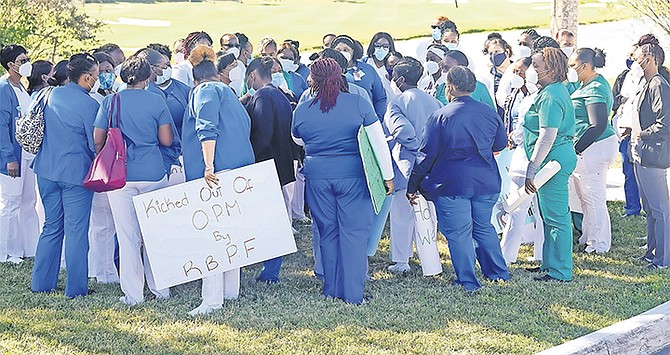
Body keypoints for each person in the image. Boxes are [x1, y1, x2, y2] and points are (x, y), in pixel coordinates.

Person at [293, 57, 394, 304]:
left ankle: (332, 289)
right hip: (353, 176)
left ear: (312, 81)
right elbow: (378, 142)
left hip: (317, 177)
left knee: (327, 231)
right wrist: (388, 177)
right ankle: (353, 293)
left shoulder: (303, 108)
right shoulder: (358, 103)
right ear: (340, 77)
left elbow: (297, 139)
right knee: (354, 233)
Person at [407, 65, 510, 291]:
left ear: (450, 87)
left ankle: (468, 280)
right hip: (486, 181)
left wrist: (412, 184)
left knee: (459, 233)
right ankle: (498, 273)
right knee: (483, 226)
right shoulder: (489, 112)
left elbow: (426, 155)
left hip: (452, 183)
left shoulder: (440, 116)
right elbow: (501, 144)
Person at [94, 55, 175, 305]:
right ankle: (161, 288)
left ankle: (133, 294)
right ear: (147, 76)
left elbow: (98, 138)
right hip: (153, 173)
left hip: (121, 175)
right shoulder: (156, 100)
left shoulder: (111, 101)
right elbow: (167, 140)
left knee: (127, 236)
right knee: (155, 234)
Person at [182, 46, 255, 316]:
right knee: (231, 233)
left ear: (195, 79)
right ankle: (230, 290)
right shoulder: (230, 93)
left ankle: (212, 299)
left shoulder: (205, 92)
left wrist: (208, 164)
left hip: (217, 172)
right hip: (238, 169)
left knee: (212, 236)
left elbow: (206, 127)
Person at [30, 53, 100, 297]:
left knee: (51, 226)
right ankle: (76, 288)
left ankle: (41, 283)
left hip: (46, 170)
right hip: (75, 173)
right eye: (96, 75)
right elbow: (95, 144)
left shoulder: (48, 94)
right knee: (76, 231)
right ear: (86, 77)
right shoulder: (90, 104)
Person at [523, 47, 577, 282]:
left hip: (552, 160)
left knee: (556, 217)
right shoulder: (553, 90)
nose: (531, 70)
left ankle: (560, 271)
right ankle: (549, 263)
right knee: (548, 215)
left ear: (551, 70)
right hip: (555, 157)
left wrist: (532, 168)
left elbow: (547, 136)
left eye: (536, 66)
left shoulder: (552, 96)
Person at [385, 57, 443, 273]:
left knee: (402, 213)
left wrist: (418, 150)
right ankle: (428, 255)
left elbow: (401, 131)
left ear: (399, 79)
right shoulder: (434, 101)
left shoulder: (397, 102)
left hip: (406, 166)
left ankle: (402, 260)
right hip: (433, 165)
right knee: (428, 212)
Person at [243, 56, 296, 283]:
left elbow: (263, 135)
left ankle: (271, 272)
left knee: (271, 221)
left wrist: (250, 161)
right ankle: (270, 269)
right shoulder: (279, 94)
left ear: (253, 76)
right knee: (275, 218)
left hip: (267, 165)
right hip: (281, 162)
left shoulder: (262, 96)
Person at [568, 48, 618, 254]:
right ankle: (588, 237)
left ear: (585, 66)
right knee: (585, 197)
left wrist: (576, 149)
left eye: (573, 66)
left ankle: (599, 244)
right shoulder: (587, 83)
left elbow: (596, 125)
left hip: (594, 147)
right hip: (592, 147)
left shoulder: (595, 88)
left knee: (593, 196)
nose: (571, 70)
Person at [500, 56, 544, 264]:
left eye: (520, 71)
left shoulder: (532, 99)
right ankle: (539, 254)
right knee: (527, 209)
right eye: (514, 71)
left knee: (519, 208)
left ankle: (507, 255)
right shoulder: (517, 96)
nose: (516, 75)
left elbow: (521, 132)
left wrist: (512, 138)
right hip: (525, 158)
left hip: (525, 158)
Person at [630, 39, 670, 269]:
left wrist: (641, 134)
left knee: (661, 210)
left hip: (653, 154)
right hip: (641, 154)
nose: (635, 62)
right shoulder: (647, 83)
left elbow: (664, 124)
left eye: (637, 59)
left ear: (650, 59)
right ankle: (652, 252)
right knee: (650, 209)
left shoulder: (659, 85)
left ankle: (663, 259)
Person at [0, 44, 41, 264]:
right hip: (12, 158)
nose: (27, 64)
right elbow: (1, 126)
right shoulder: (3, 89)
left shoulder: (21, 87)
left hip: (28, 155)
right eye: (22, 60)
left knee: (28, 201)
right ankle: (6, 252)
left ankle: (29, 247)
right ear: (11, 65)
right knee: (11, 202)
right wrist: (9, 158)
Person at [613, 44, 643, 218]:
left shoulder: (656, 78)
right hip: (625, 133)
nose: (631, 59)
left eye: (634, 56)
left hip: (642, 133)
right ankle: (632, 207)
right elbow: (616, 99)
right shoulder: (625, 76)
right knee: (629, 172)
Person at [331, 35, 387, 121]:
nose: (342, 53)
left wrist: (378, 119)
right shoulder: (329, 72)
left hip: (368, 119)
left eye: (346, 50)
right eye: (338, 50)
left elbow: (380, 97)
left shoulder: (368, 69)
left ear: (353, 51)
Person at [481, 33, 515, 118]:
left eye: (497, 51)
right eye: (491, 53)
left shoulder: (517, 70)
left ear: (507, 52)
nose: (494, 55)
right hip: (496, 117)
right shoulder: (486, 76)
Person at [364, 32, 396, 99]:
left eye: (385, 46)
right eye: (378, 45)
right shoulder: (365, 62)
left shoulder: (393, 64)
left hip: (390, 101)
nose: (381, 49)